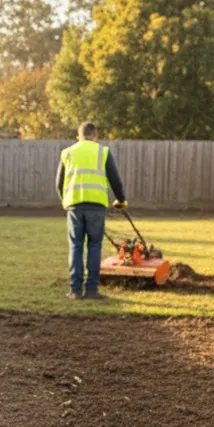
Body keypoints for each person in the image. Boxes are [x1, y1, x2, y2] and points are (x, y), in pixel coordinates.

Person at [56, 121, 127, 300]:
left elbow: (59, 183)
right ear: (96, 135)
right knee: (94, 246)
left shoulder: (68, 153)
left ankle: (75, 290)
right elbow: (115, 180)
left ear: (78, 136)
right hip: (96, 206)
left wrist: (66, 201)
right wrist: (121, 200)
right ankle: (92, 290)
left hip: (75, 207)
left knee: (76, 246)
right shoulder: (103, 152)